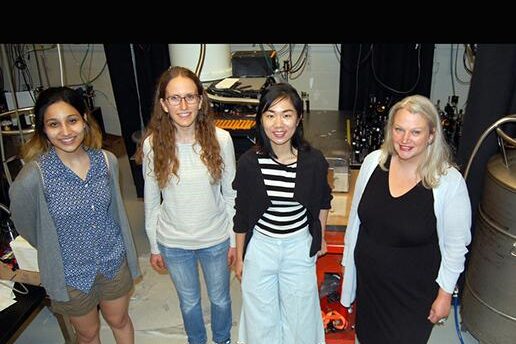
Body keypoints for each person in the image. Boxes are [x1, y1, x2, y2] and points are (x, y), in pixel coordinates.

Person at [9, 86, 141, 344]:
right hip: (69, 272)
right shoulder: (34, 176)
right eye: (54, 124)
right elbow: (24, 223)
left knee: (119, 320)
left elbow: (114, 213)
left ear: (84, 120)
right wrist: (50, 246)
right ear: (43, 130)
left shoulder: (107, 161)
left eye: (72, 120)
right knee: (87, 334)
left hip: (112, 260)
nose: (66, 132)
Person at [340, 94, 472, 343]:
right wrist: (349, 268)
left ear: (431, 134)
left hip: (413, 295)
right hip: (371, 287)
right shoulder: (372, 164)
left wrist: (444, 295)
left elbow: (456, 247)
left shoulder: (448, 182)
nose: (404, 139)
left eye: (415, 132)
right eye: (399, 129)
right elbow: (355, 224)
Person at [136, 66, 236, 344]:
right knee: (189, 302)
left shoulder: (221, 140)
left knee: (220, 299)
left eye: (190, 97)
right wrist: (155, 245)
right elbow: (152, 201)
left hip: (215, 239)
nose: (183, 105)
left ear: (201, 100)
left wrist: (233, 240)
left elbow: (230, 194)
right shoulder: (152, 145)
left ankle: (223, 339)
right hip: (174, 242)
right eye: (175, 98)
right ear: (164, 105)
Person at [233, 83, 332, 344]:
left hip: (298, 247)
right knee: (260, 319)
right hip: (261, 248)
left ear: (298, 118)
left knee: (301, 319)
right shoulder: (249, 163)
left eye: (287, 114)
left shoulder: (313, 161)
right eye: (270, 115)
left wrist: (319, 237)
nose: (279, 123)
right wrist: (240, 257)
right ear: (261, 120)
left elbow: (323, 200)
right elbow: (241, 215)